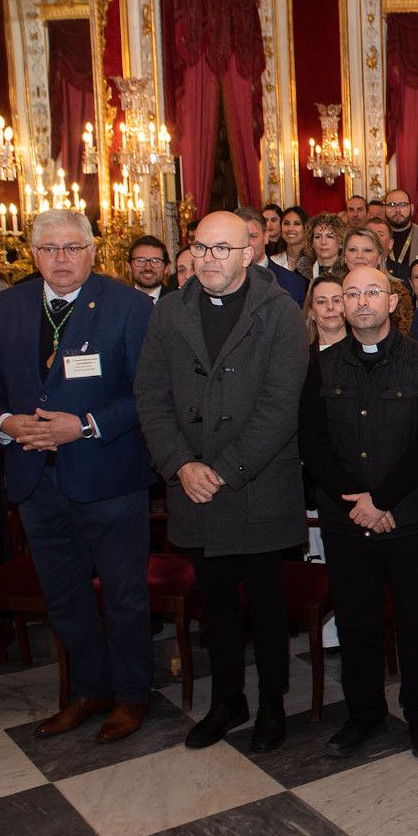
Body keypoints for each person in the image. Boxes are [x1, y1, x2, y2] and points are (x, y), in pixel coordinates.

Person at [0, 208, 156, 743]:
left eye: (72, 247)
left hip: (109, 478)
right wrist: (7, 423)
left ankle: (131, 696)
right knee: (65, 596)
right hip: (35, 480)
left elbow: (150, 392)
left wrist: (88, 426)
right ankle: (89, 690)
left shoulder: (127, 305)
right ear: (32, 254)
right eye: (49, 248)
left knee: (124, 596)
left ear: (93, 251)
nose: (61, 258)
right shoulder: (7, 306)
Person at [136, 210, 309, 752]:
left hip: (255, 485)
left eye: (222, 249)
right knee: (216, 605)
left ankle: (273, 704)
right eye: (202, 248)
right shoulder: (170, 312)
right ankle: (227, 700)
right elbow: (151, 397)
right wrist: (180, 465)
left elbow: (281, 407)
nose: (210, 259)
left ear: (248, 253)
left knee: (266, 603)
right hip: (193, 487)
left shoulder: (280, 312)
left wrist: (225, 470)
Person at [301, 265, 418, 759]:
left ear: (392, 301)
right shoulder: (320, 366)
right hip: (348, 522)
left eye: (372, 292)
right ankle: (363, 714)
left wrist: (382, 501)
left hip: (411, 520)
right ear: (340, 305)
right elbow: (314, 444)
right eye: (351, 294)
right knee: (357, 622)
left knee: (417, 623)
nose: (362, 302)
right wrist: (358, 503)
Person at [343, 227, 416, 336]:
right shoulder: (333, 290)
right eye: (353, 250)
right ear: (344, 257)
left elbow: (403, 336)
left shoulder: (397, 293)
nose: (359, 256)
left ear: (379, 257)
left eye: (367, 250)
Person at [306, 274, 348, 349]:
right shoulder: (300, 355)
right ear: (311, 312)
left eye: (336, 300)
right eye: (321, 302)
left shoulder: (365, 349)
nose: (330, 307)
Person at [128, 236, 172, 303]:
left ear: (166, 268)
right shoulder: (118, 301)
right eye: (141, 260)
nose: (148, 267)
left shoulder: (178, 302)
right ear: (129, 266)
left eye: (155, 261)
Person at [273, 206, 313, 277]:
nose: (290, 228)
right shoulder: (273, 261)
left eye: (296, 224)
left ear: (306, 228)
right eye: (286, 223)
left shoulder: (314, 261)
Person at [307, 213, 346, 280]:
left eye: (330, 237)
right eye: (318, 237)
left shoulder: (348, 275)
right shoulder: (302, 275)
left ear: (341, 243)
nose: (323, 242)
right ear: (311, 243)